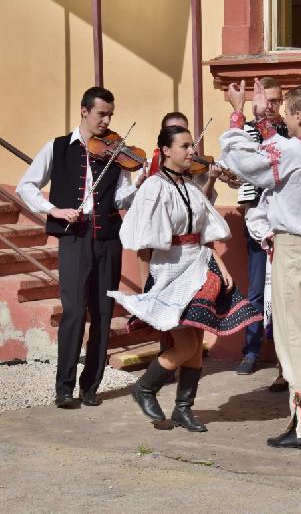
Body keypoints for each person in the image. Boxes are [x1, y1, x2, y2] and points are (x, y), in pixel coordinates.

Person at [107, 125, 262, 432]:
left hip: (199, 265)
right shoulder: (153, 187)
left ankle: (183, 408)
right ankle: (145, 387)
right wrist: (147, 289)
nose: (192, 151)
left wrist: (221, 264)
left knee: (196, 341)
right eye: (185, 146)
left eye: (192, 146)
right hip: (170, 272)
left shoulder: (191, 188)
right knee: (185, 345)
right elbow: (143, 243)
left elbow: (204, 235)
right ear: (166, 151)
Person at [220, 79, 301, 450]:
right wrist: (264, 118)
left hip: (294, 251)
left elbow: (243, 160)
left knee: (296, 341)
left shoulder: (293, 154)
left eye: (287, 113)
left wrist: (238, 115)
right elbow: (280, 147)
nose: (282, 118)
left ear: (300, 117)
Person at [16, 86, 138, 408]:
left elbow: (122, 197)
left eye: (110, 114)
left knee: (102, 312)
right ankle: (64, 387)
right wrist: (52, 210)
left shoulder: (115, 151)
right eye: (101, 114)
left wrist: (141, 182)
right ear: (84, 111)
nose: (107, 120)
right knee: (73, 311)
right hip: (74, 237)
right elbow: (25, 186)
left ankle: (91, 387)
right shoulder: (57, 147)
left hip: (108, 239)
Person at [235, 78, 290, 393]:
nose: (270, 106)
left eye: (275, 100)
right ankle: (251, 350)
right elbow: (243, 169)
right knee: (256, 289)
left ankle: (284, 361)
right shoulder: (250, 131)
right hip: (257, 213)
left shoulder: (289, 130)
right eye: (266, 100)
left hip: (283, 217)